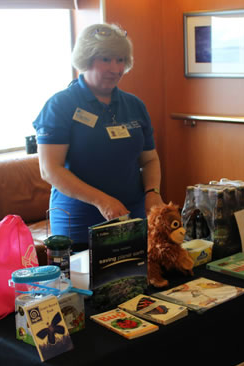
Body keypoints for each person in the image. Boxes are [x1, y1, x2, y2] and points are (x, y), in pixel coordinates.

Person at [33, 23, 164, 250]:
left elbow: (150, 159)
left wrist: (152, 192)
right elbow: (50, 169)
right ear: (86, 59)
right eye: (106, 59)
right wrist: (101, 200)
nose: (115, 68)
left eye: (121, 60)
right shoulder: (60, 105)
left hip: (131, 220)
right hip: (79, 226)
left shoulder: (134, 105)